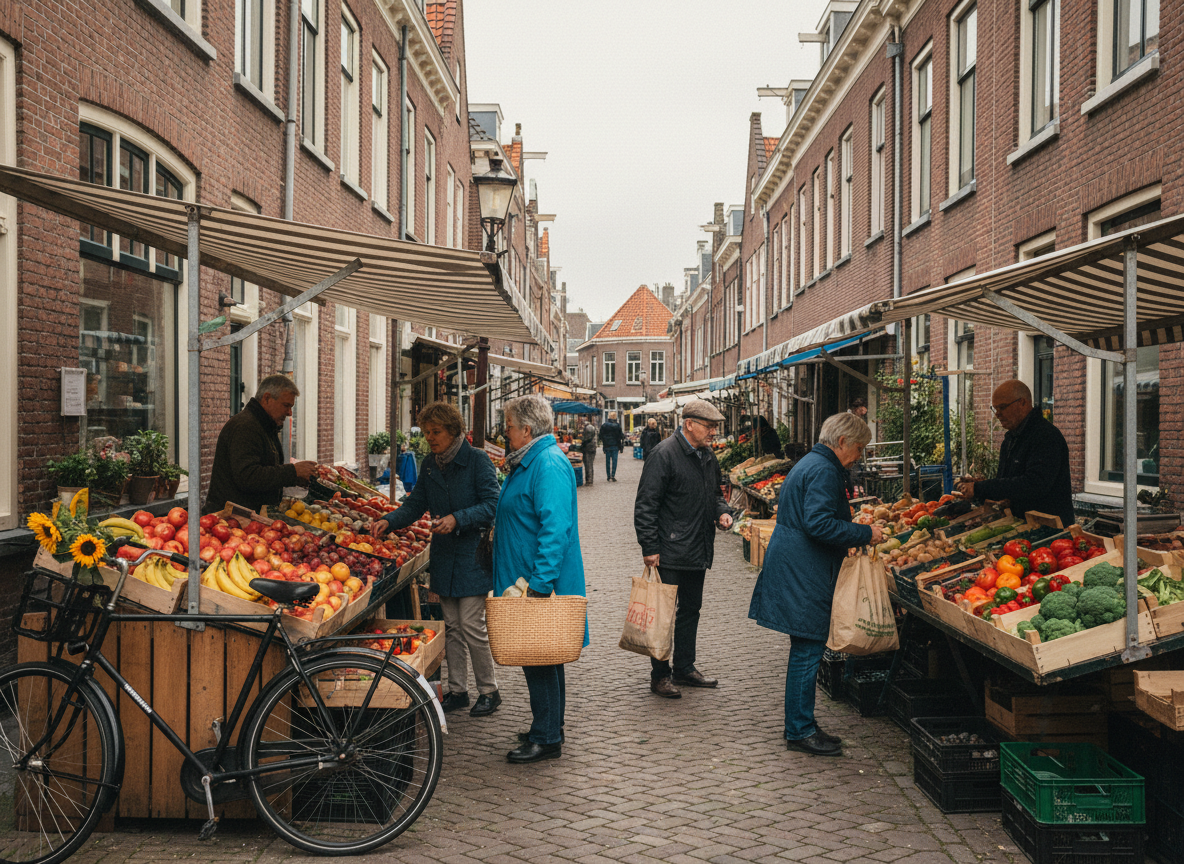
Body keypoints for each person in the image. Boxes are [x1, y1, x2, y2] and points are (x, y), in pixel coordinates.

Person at [748, 412, 884, 757]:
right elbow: (819, 523)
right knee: (807, 650)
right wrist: (864, 533)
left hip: (798, 565)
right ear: (842, 442)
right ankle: (800, 730)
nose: (858, 457)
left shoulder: (811, 463)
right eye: (858, 448)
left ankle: (802, 723)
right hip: (805, 570)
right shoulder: (824, 470)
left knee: (805, 648)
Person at [369, 402, 502, 717]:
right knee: (451, 626)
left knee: (471, 625)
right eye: (427, 432)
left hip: (472, 554)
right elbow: (415, 504)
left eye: (436, 432)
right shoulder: (430, 464)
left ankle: (489, 691)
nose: (429, 438)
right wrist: (389, 520)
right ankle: (458, 690)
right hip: (444, 555)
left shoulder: (477, 460)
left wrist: (458, 518)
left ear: (453, 431)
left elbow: (493, 504)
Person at [494, 395, 588, 764]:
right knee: (545, 655)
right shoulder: (531, 460)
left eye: (509, 426)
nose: (506, 432)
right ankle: (550, 726)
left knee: (538, 657)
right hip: (525, 578)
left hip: (534, 582)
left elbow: (555, 529)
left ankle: (546, 737)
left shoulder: (546, 464)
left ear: (527, 429)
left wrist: (539, 584)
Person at [634, 399, 733, 698]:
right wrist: (650, 547)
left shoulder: (708, 456)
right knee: (663, 614)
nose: (713, 432)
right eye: (709, 426)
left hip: (698, 548)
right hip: (669, 550)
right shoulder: (663, 454)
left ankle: (685, 668)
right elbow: (646, 504)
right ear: (689, 424)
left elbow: (715, 493)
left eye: (715, 427)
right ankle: (660, 675)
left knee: (691, 610)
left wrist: (722, 512)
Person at [957, 379, 1075, 528]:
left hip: (1049, 530)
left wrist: (981, 488)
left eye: (1002, 407)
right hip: (1019, 525)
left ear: (1022, 403)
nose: (997, 414)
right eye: (995, 409)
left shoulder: (1046, 437)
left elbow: (1034, 485)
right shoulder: (1010, 439)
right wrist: (982, 486)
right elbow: (1008, 482)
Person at [205, 374, 315, 514]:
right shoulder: (246, 427)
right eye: (286, 405)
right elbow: (248, 476)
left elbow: (266, 471)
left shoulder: (264, 426)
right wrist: (292, 472)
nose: (289, 413)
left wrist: (295, 478)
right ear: (267, 398)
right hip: (232, 519)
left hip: (247, 517)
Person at [599, 411, 626, 482]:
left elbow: (600, 435)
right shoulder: (617, 426)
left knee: (607, 461)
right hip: (615, 445)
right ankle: (613, 475)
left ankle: (608, 476)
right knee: (614, 461)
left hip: (607, 445)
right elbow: (620, 436)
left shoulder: (604, 425)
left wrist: (604, 441)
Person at [580, 417, 599, 485]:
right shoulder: (591, 427)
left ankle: (589, 480)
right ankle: (589, 479)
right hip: (592, 447)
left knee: (588, 464)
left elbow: (587, 439)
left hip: (588, 448)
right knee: (590, 464)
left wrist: (582, 444)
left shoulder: (588, 428)